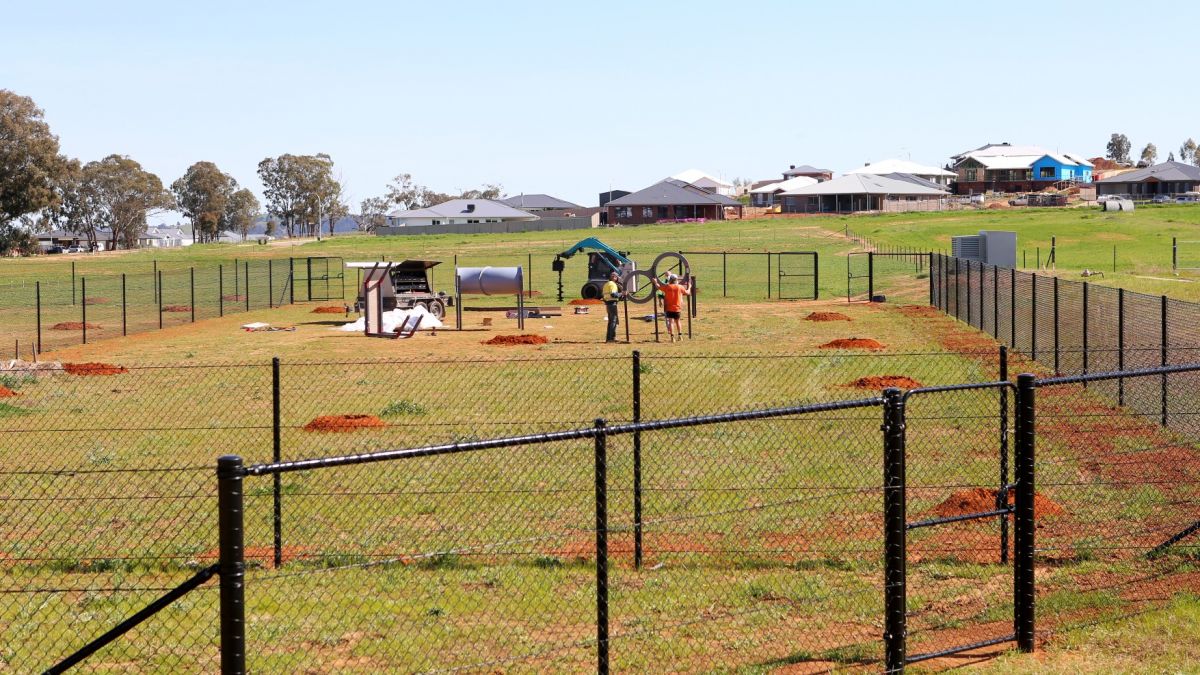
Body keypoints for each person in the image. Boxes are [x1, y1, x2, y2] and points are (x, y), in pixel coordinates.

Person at [655, 273, 691, 342]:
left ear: (670, 280)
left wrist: (655, 282)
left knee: (671, 322)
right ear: (676, 280)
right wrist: (689, 287)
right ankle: (680, 336)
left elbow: (658, 287)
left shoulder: (667, 286)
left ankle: (672, 337)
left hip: (669, 307)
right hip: (677, 308)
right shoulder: (680, 287)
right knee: (678, 321)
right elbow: (687, 292)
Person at [602, 271, 623, 342]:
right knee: (614, 321)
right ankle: (612, 338)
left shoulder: (606, 284)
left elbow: (604, 296)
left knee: (610, 321)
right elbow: (613, 295)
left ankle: (609, 338)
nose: (617, 278)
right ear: (614, 277)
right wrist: (622, 293)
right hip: (612, 304)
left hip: (608, 304)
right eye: (617, 277)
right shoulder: (612, 284)